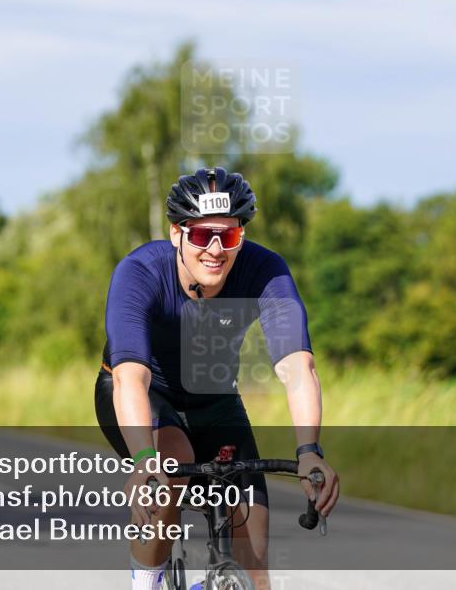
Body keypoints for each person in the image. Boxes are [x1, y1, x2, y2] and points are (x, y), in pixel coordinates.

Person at [95, 167, 339, 590]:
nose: (214, 250)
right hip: (144, 394)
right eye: (201, 234)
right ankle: (146, 581)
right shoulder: (140, 272)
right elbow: (130, 378)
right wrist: (141, 462)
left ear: (241, 235)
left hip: (214, 399)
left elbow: (297, 368)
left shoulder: (265, 271)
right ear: (176, 234)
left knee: (255, 569)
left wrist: (309, 450)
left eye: (227, 237)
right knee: (171, 458)